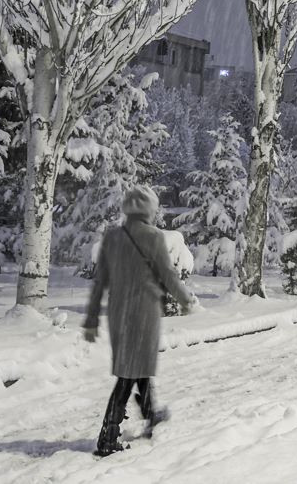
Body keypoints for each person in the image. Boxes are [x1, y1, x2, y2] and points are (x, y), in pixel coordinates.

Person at [84, 185, 194, 457]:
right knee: (128, 374)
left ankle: (150, 413)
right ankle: (108, 436)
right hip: (143, 312)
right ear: (148, 208)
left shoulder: (112, 237)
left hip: (119, 314)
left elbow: (100, 282)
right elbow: (168, 274)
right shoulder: (153, 236)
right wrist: (185, 298)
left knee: (136, 367)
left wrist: (91, 319)